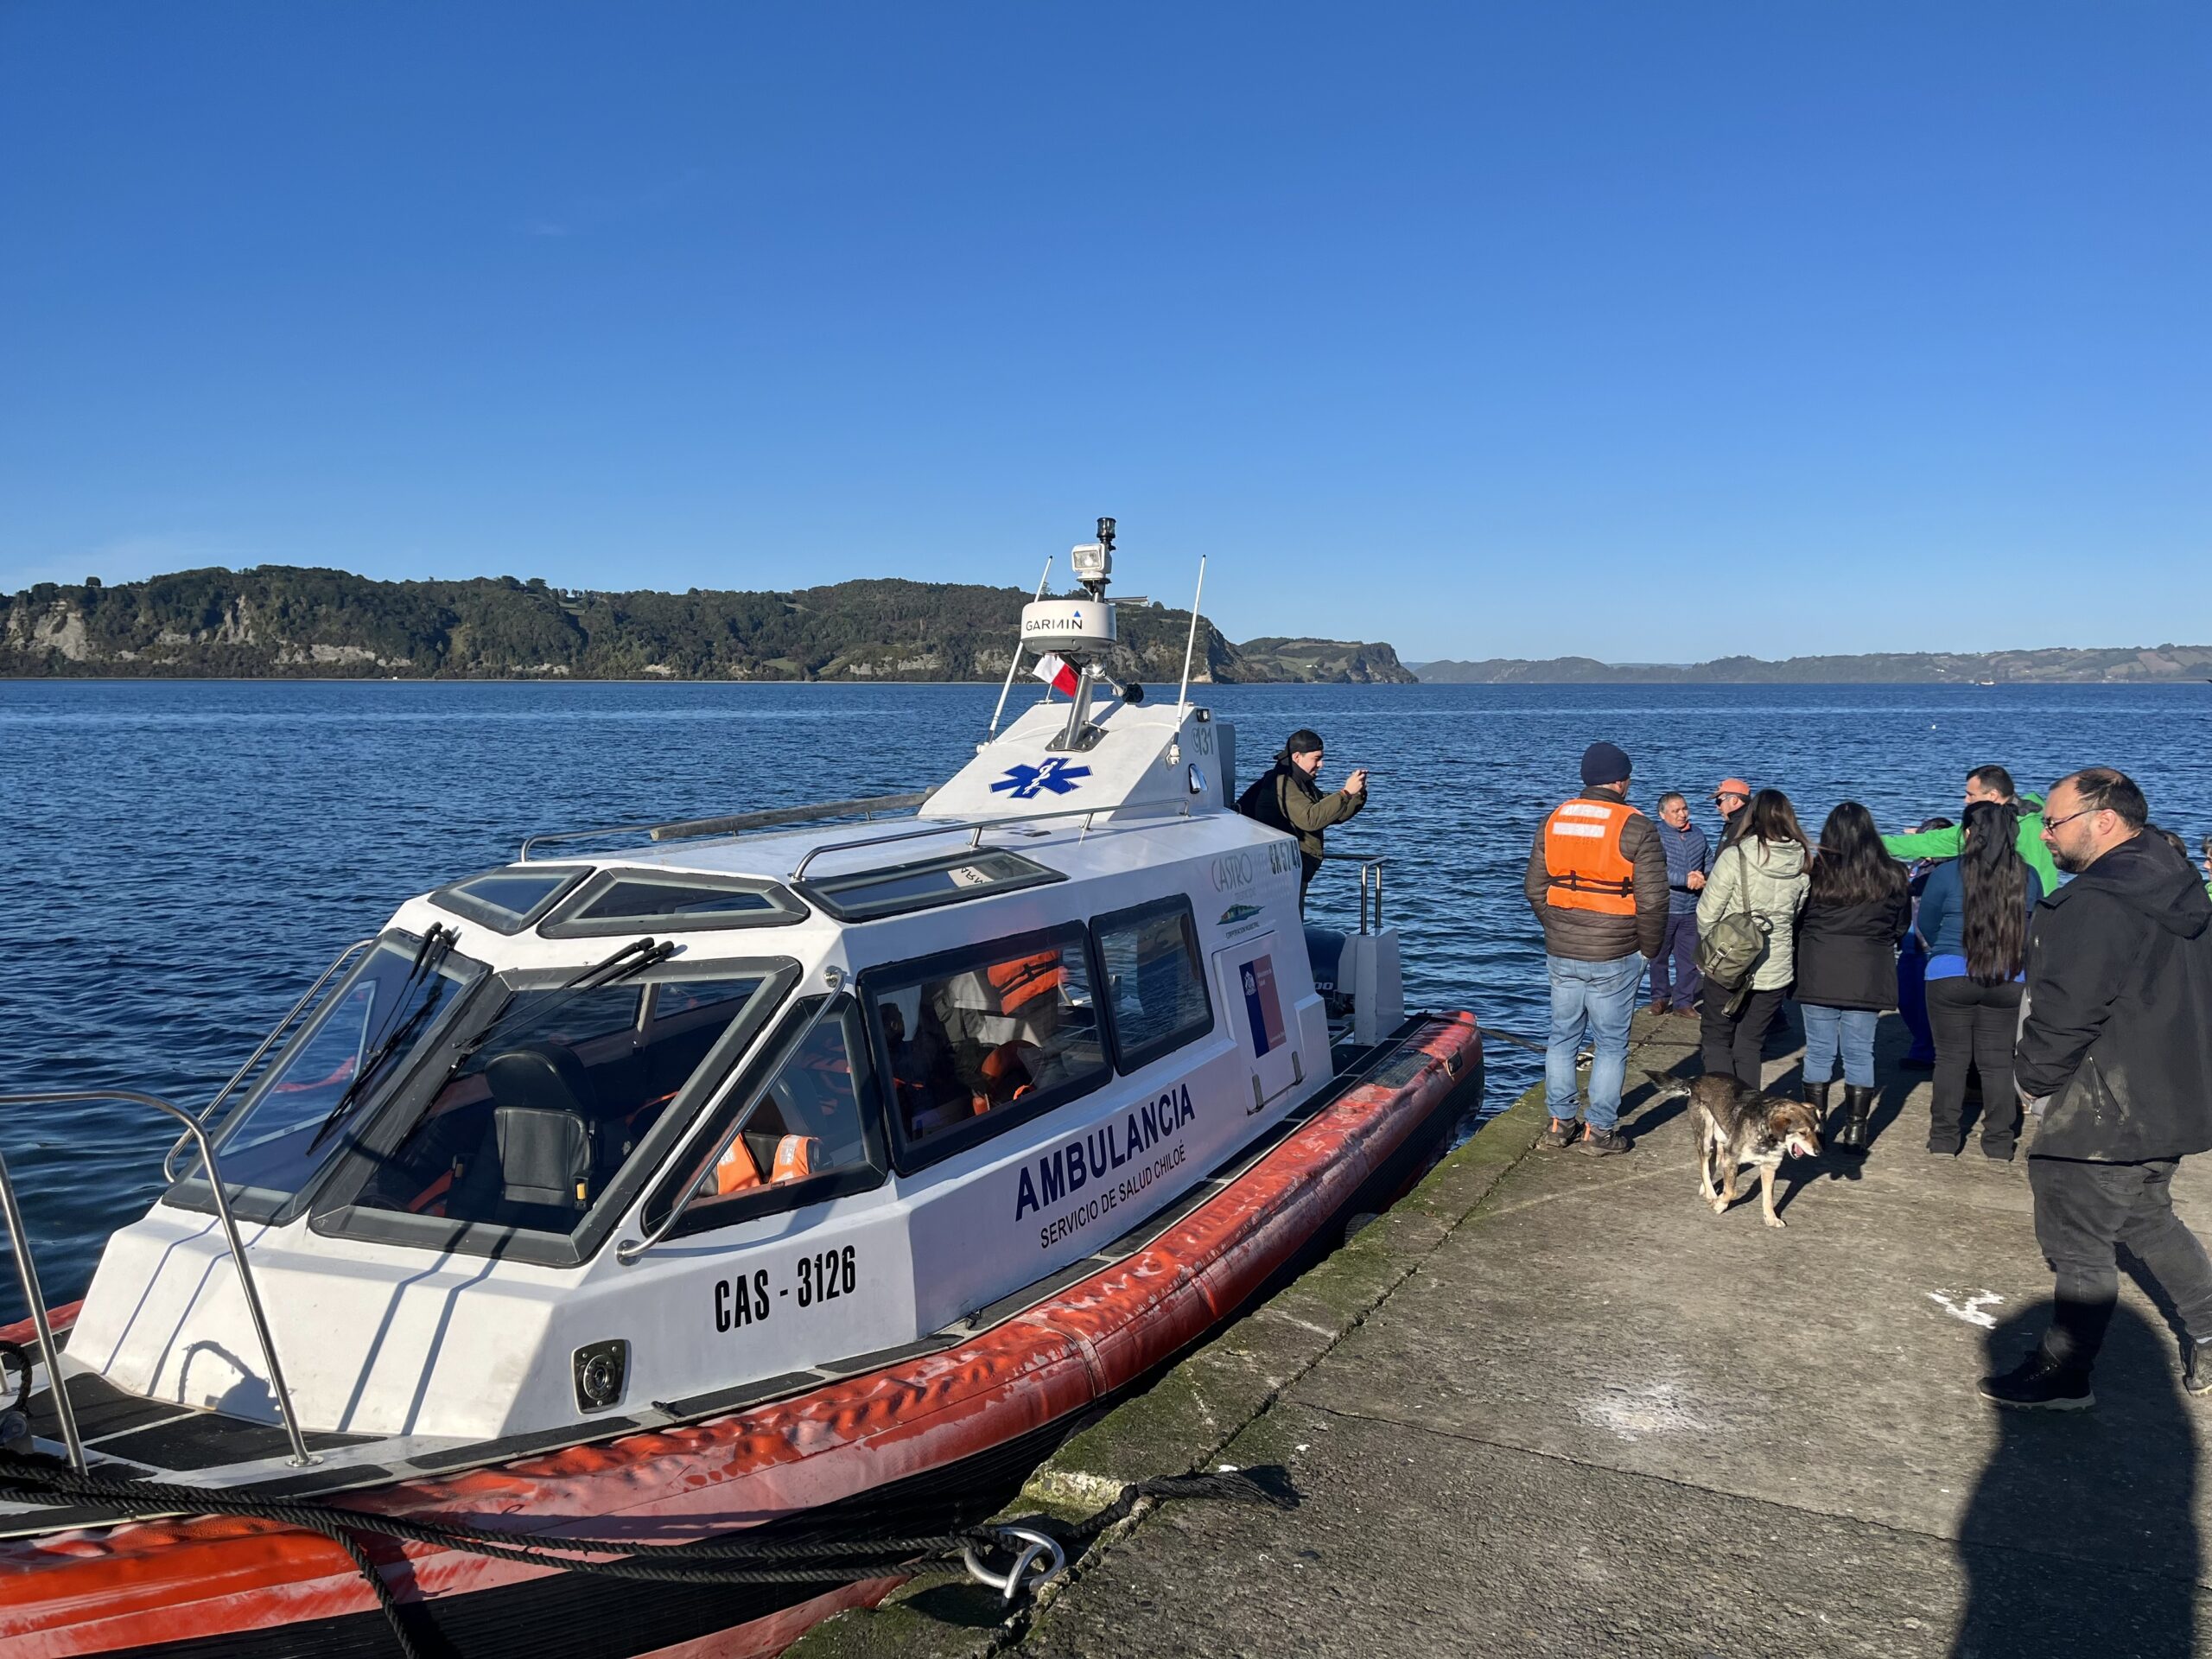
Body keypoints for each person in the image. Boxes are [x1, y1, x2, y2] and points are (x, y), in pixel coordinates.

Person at [1980, 767, 2212, 1410]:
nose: (2046, 837)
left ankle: (2065, 1371)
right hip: (2172, 1096)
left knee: (2076, 1242)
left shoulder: (2096, 903)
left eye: (2053, 824)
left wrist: (2031, 1081)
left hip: (2101, 1108)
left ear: (2102, 819)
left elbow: (2065, 1009)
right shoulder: (2181, 886)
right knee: (2148, 1217)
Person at [1524, 741, 1669, 1155]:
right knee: (1610, 1044)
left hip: (1562, 948)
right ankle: (1600, 1131)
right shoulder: (1637, 826)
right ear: (1622, 781)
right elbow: (1655, 901)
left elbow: (1534, 888)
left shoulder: (1555, 820)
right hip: (1617, 952)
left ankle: (1559, 1124)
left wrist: (1557, 926)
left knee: (1562, 1036)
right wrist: (1650, 950)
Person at [1915, 800, 2042, 1159]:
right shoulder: (2027, 875)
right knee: (1998, 1061)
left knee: (1951, 1059)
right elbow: (2034, 927)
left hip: (1949, 972)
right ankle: (1999, 1143)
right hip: (2007, 975)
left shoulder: (1947, 873)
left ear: (1970, 833)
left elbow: (1927, 923)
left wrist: (1942, 951)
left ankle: (1943, 1139)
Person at [1794, 802, 1911, 1153]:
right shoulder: (1893, 874)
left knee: (1818, 1053)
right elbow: (1900, 926)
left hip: (1818, 970)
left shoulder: (1814, 872)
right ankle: (1857, 1131)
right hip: (1868, 971)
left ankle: (1817, 1126)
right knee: (1861, 1053)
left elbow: (1797, 919)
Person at [1695, 789, 1811, 1089]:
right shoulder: (1803, 860)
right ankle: (1748, 1116)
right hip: (1776, 966)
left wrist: (1711, 954)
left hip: (1730, 959)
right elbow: (1794, 913)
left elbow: (1708, 913)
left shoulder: (1736, 855)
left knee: (1717, 1038)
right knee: (1749, 1044)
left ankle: (1723, 1114)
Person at [1236, 728, 1367, 913]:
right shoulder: (1283, 783)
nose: (1321, 764)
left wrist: (1357, 796)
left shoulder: (1299, 782)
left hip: (1289, 869)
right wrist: (1345, 793)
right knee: (1289, 922)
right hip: (1280, 872)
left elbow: (1330, 814)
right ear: (1297, 757)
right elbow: (1310, 819)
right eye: (1316, 758)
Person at [1884, 764, 2061, 899]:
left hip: (2017, 913)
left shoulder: (1989, 829)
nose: (1966, 800)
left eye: (1971, 795)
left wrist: (1872, 842)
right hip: (2044, 910)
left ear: (1992, 795)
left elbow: (1936, 842)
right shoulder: (2044, 818)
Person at [1896, 817, 1953, 1070]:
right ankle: (1923, 1044)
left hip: (1933, 943)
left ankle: (1925, 1050)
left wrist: (1936, 855)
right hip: (1910, 939)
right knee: (1905, 997)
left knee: (1926, 999)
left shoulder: (1948, 867)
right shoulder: (1917, 864)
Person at [1649, 791, 1711, 1015]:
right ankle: (1660, 998)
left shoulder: (1698, 834)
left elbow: (1709, 861)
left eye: (1684, 809)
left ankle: (1684, 1002)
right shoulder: (1655, 835)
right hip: (1665, 907)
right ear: (1663, 814)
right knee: (1659, 958)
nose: (1682, 814)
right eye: (1676, 811)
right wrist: (1686, 879)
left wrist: (1704, 877)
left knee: (1689, 959)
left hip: (1691, 908)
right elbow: (1656, 869)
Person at [1712, 777, 1751, 847]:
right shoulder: (1733, 821)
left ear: (1734, 800)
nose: (1717, 807)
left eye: (1719, 801)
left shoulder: (1746, 825)